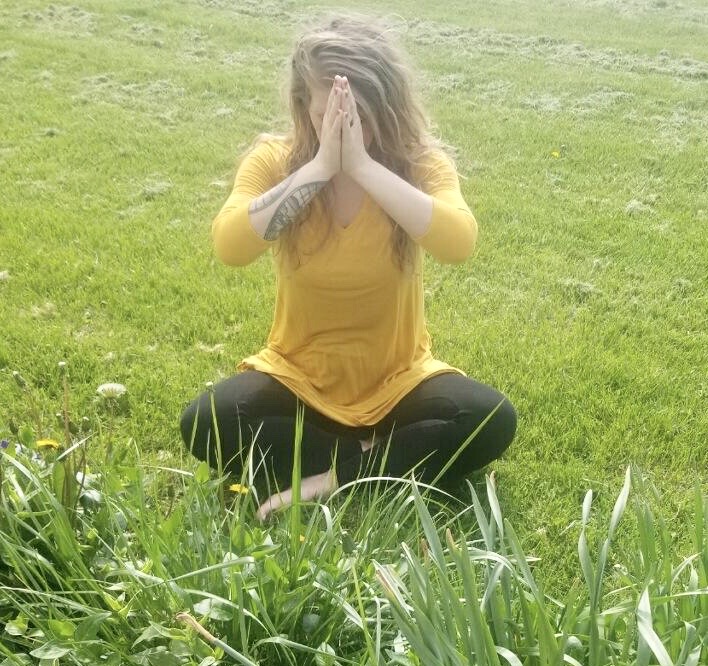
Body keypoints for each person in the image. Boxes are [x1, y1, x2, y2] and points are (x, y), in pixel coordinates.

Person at [180, 15, 516, 519]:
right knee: (206, 422)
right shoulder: (274, 160)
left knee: (491, 418)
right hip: (298, 380)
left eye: (361, 116)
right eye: (327, 116)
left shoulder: (419, 165)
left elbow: (458, 242)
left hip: (399, 384)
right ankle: (378, 459)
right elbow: (230, 245)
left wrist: (362, 166)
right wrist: (319, 168)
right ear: (303, 107)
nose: (344, 129)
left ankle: (332, 476)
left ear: (387, 106)